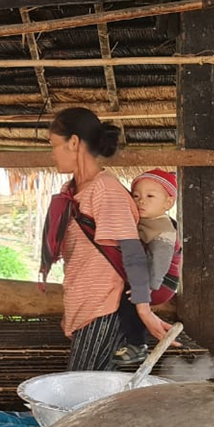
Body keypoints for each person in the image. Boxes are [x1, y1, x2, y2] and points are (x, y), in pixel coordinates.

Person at [40, 107, 173, 371]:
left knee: (82, 390)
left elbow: (132, 252)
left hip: (104, 309)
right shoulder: (72, 190)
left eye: (55, 145)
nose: (52, 153)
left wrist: (144, 312)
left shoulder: (105, 191)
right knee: (91, 389)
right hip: (85, 307)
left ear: (74, 143)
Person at [113, 169, 181, 365]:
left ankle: (137, 346)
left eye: (150, 196)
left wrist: (148, 287)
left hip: (161, 282)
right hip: (151, 277)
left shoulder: (163, 229)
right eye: (136, 196)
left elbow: (160, 259)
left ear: (168, 203)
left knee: (129, 301)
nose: (141, 201)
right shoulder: (146, 220)